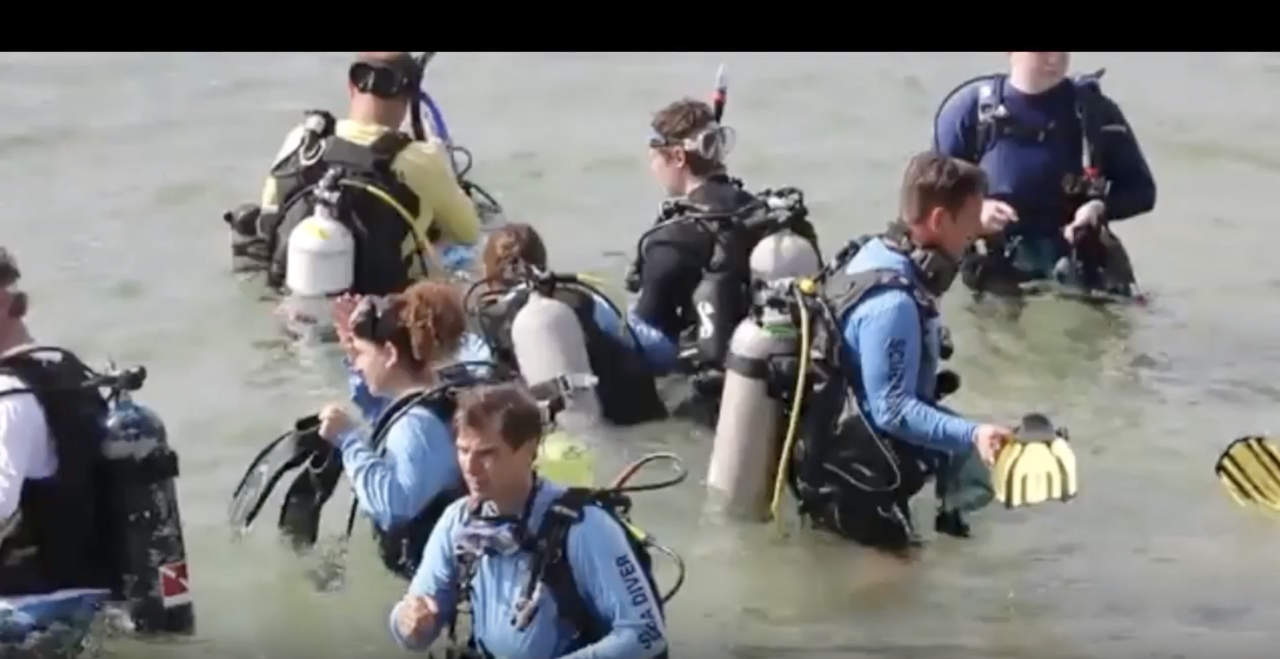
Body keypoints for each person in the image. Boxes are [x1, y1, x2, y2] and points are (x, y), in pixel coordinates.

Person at [788, 153, 1016, 552]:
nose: (975, 237)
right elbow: (892, 409)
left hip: (836, 461)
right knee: (895, 600)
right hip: (855, 487)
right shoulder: (892, 303)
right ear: (940, 220)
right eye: (970, 223)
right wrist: (972, 433)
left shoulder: (874, 253)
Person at [390, 383, 667, 659]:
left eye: (487, 453)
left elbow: (646, 634)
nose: (470, 468)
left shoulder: (585, 528)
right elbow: (417, 629)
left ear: (528, 451)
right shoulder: (456, 522)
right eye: (463, 451)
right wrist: (407, 622)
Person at [227, 51, 482, 296]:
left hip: (292, 300)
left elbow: (270, 213)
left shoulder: (303, 142)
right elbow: (469, 233)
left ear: (351, 87)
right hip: (380, 316)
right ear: (409, 97)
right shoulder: (420, 161)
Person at [933, 52, 1156, 297]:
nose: (1055, 59)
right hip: (999, 277)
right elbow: (930, 201)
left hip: (1079, 275)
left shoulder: (1095, 113)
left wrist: (1098, 207)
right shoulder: (969, 113)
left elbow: (1142, 191)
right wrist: (975, 212)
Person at [626, 98, 820, 379]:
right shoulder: (761, 212)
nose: (652, 168)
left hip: (711, 379)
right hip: (779, 366)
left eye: (655, 157)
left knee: (625, 322)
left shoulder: (670, 239)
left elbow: (650, 324)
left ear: (678, 157)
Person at [315, 281, 479, 579]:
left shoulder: (416, 425)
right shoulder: (441, 386)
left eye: (363, 354)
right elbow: (383, 408)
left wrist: (347, 440)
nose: (358, 363)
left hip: (439, 580)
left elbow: (394, 506)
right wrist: (355, 350)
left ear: (390, 354)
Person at [468, 223, 667, 426]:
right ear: (543, 262)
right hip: (629, 412)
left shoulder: (482, 325)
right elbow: (643, 344)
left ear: (486, 273)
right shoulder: (583, 298)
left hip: (553, 431)